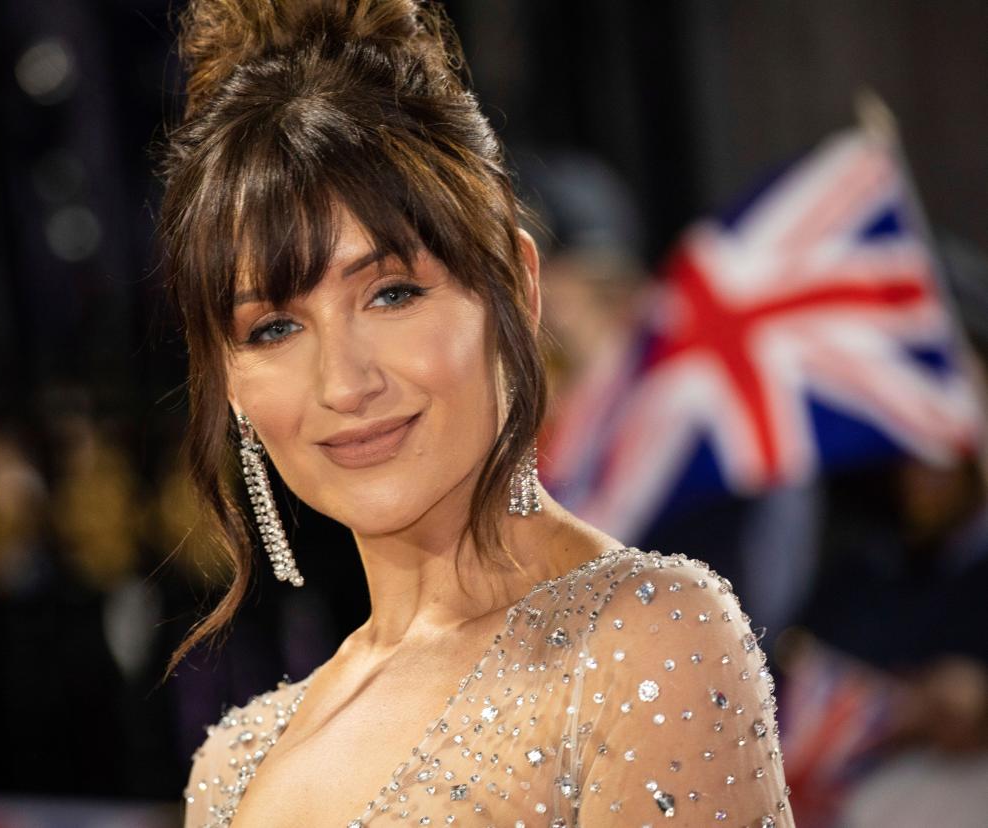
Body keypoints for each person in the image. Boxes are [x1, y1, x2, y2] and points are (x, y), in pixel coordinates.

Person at [156, 1, 792, 825]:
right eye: (274, 327)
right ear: (230, 379)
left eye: (392, 294)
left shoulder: (646, 644)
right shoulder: (234, 765)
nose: (343, 384)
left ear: (517, 289)